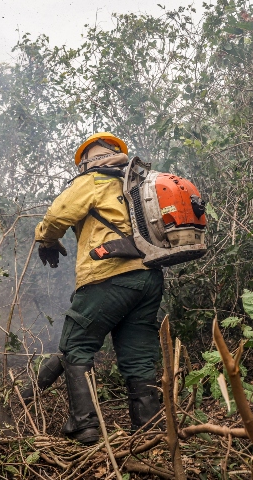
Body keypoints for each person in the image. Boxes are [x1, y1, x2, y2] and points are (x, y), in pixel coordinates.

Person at [34, 132, 163, 444]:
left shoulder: (93, 180)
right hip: (149, 277)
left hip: (109, 273)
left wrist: (46, 240)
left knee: (77, 346)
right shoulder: (137, 183)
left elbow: (57, 215)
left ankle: (84, 425)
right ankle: (149, 431)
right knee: (138, 356)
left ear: (85, 163)